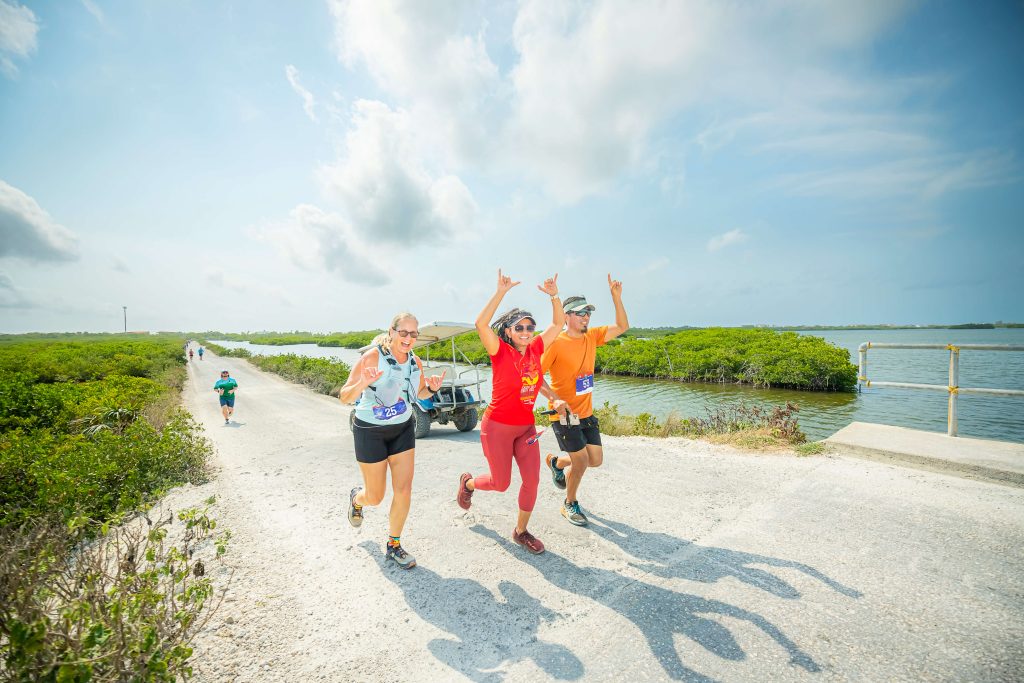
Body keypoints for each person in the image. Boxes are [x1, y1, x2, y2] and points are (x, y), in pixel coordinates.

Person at [456, 270, 565, 555]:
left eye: (530, 327)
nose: (527, 333)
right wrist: (501, 292)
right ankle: (467, 483)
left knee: (532, 481)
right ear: (508, 331)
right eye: (520, 328)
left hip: (526, 427)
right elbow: (480, 323)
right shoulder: (500, 351)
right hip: (497, 428)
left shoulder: (537, 348)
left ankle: (521, 531)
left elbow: (558, 323)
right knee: (500, 483)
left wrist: (554, 295)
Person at [339, 313, 445, 570]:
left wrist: (430, 388)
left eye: (413, 334)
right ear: (392, 331)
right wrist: (363, 382)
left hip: (402, 428)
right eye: (404, 332)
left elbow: (416, 394)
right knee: (375, 497)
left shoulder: (414, 361)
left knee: (404, 490)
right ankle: (357, 499)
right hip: (369, 430)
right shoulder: (372, 357)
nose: (409, 338)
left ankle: (394, 545)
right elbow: (344, 396)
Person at [541, 274, 629, 527]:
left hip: (586, 413)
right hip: (564, 414)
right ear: (566, 316)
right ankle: (569, 503)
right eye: (580, 313)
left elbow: (622, 326)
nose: (585, 317)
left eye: (588, 312)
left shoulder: (593, 336)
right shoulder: (555, 343)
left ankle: (556, 462)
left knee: (595, 460)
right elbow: (533, 375)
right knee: (580, 462)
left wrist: (616, 297)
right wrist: (554, 399)